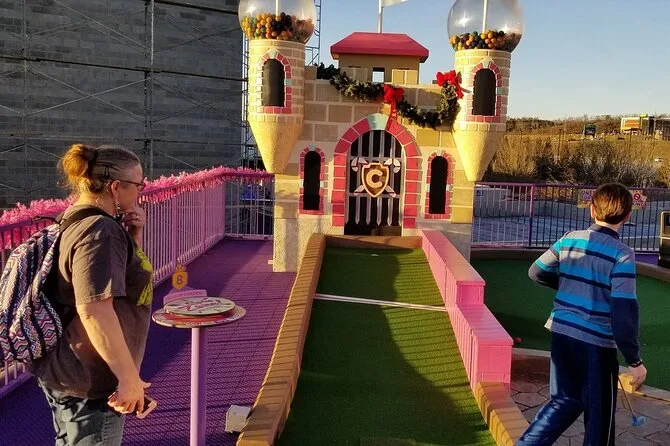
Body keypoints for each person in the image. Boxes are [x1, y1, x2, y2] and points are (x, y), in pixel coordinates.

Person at [30, 144, 154, 445]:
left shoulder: (73, 217)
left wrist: (134, 237)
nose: (140, 192)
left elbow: (114, 283)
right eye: (138, 185)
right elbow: (95, 309)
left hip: (67, 367)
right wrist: (128, 379)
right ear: (116, 187)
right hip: (89, 378)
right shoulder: (100, 231)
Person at [517, 183, 647, 446]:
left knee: (564, 400)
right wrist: (634, 361)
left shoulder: (569, 238)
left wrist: (568, 285)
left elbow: (537, 271)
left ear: (591, 210)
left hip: (561, 333)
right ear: (627, 215)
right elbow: (623, 312)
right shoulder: (622, 254)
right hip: (596, 345)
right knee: (599, 417)